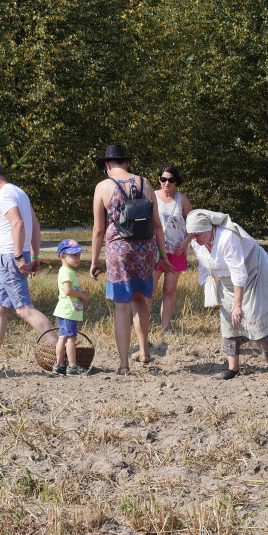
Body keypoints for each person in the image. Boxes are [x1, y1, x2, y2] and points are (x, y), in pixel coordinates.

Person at [90, 144, 174, 375]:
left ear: (107, 165)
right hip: (145, 249)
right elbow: (157, 224)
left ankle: (124, 364)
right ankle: (145, 351)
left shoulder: (102, 187)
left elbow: (98, 230)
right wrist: (163, 255)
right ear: (126, 162)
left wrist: (94, 260)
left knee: (122, 308)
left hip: (119, 251)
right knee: (141, 300)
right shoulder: (146, 183)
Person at [186, 209, 268, 381]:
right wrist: (210, 295)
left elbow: (239, 273)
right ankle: (233, 369)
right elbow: (204, 270)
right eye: (191, 235)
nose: (194, 239)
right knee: (228, 321)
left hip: (254, 272)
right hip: (227, 280)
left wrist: (238, 306)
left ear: (208, 229)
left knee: (255, 317)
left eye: (197, 235)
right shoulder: (197, 243)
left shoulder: (226, 238)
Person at [0, 157, 57, 356]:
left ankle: (60, 347)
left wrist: (19, 256)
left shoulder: (5, 194)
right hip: (9, 257)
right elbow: (36, 225)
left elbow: (18, 223)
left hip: (10, 257)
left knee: (23, 309)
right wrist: (34, 254)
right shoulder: (19, 192)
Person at [152, 164, 193, 334]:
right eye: (163, 179)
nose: (166, 183)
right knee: (149, 290)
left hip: (176, 252)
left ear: (176, 182)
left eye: (171, 180)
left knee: (169, 291)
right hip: (154, 252)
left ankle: (165, 329)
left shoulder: (182, 199)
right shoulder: (151, 197)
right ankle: (142, 327)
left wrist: (185, 243)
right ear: (159, 180)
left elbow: (195, 224)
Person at [53, 239, 90, 375]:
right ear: (63, 256)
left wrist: (81, 294)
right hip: (68, 311)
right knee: (70, 339)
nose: (78, 258)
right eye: (74, 255)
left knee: (63, 337)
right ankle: (72, 366)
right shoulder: (67, 272)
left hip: (65, 311)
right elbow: (68, 291)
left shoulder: (66, 271)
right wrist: (80, 294)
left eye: (79, 255)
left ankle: (59, 364)